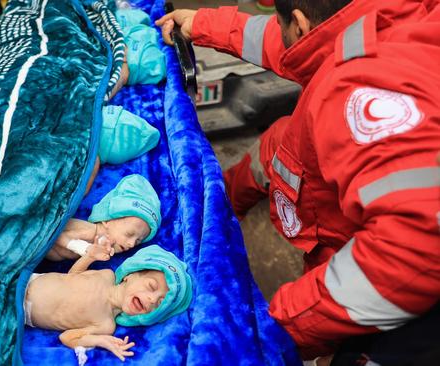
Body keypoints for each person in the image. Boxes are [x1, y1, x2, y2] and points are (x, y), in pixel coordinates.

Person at [156, 0, 440, 363]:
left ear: (302, 23)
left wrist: (285, 324)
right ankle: (221, 201)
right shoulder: (380, 14)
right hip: (303, 148)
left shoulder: (364, 95)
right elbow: (297, 43)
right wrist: (204, 24)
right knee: (276, 143)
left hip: (351, 248)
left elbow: (412, 250)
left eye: (281, 20)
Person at [26, 244, 192, 361]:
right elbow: (72, 276)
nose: (152, 299)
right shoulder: (106, 275)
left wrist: (100, 341)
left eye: (158, 304)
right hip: (27, 280)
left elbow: (67, 337)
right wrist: (89, 257)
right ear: (130, 275)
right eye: (151, 286)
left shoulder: (106, 325)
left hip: (20, 311)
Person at [47, 174, 161, 261]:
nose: (131, 244)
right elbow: (54, 234)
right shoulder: (90, 231)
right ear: (107, 221)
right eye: (129, 234)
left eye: (138, 241)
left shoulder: (102, 247)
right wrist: (83, 248)